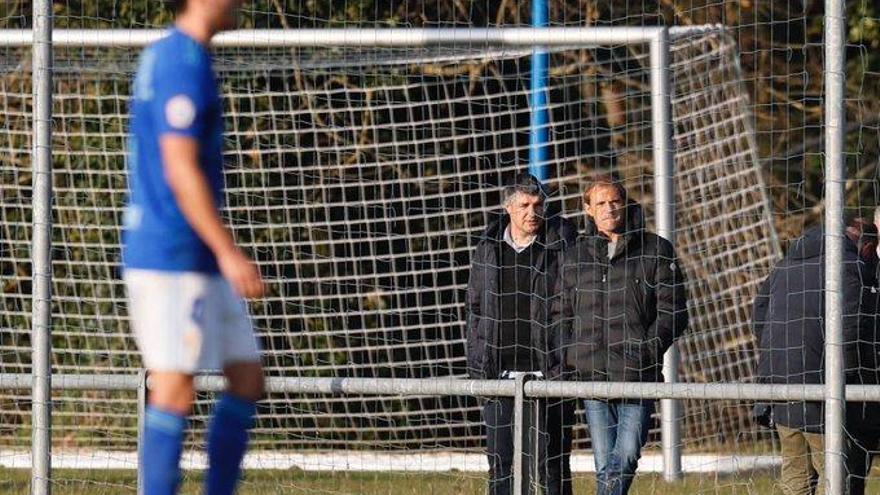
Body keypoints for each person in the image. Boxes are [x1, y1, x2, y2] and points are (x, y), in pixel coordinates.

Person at [122, 1, 264, 494]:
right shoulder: (179, 61)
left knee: (247, 376)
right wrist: (229, 251)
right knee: (174, 390)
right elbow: (180, 169)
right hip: (170, 254)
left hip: (199, 256)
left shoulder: (188, 57)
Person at [551, 175, 688, 495]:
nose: (609, 208)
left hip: (636, 374)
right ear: (587, 209)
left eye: (615, 201)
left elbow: (674, 311)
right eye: (600, 203)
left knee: (625, 456)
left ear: (625, 204)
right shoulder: (575, 256)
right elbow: (560, 313)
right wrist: (570, 353)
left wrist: (647, 351)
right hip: (591, 375)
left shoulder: (655, 250)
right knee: (604, 462)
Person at [466, 173, 578, 495]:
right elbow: (474, 307)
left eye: (538, 204)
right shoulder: (488, 248)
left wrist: (565, 357)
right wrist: (478, 358)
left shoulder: (560, 246)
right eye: (525, 205)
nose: (533, 212)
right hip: (498, 372)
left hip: (550, 370)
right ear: (508, 208)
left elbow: (572, 305)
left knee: (551, 462)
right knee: (501, 461)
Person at [751, 220, 873, 495]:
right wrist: (849, 378)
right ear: (865, 245)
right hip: (821, 387)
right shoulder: (847, 266)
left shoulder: (784, 265)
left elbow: (759, 313)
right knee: (837, 479)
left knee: (796, 478)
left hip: (779, 383)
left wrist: (777, 354)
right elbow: (852, 326)